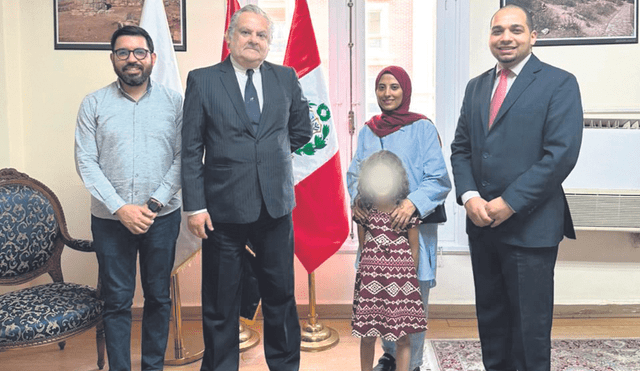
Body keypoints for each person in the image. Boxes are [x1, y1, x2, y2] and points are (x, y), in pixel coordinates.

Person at [450, 5, 583, 371]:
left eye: (515, 30)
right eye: (497, 31)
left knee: (530, 331)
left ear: (532, 36)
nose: (505, 37)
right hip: (482, 226)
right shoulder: (476, 87)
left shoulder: (559, 82)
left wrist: (509, 202)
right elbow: (461, 148)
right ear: (490, 38)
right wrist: (469, 196)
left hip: (531, 228)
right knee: (491, 324)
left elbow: (560, 155)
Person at [180, 5, 312, 371]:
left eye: (261, 35)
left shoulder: (285, 78)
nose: (254, 40)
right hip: (221, 211)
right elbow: (190, 149)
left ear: (269, 42)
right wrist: (195, 206)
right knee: (221, 302)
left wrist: (270, 154)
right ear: (230, 37)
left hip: (275, 208)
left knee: (280, 297)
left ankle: (285, 365)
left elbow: (301, 129)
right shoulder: (203, 80)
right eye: (246, 32)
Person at [75, 25, 183, 371]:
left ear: (153, 58)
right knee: (117, 301)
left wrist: (153, 204)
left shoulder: (175, 103)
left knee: (158, 298)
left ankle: (153, 367)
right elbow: (85, 162)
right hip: (110, 221)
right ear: (112, 59)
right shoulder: (93, 103)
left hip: (161, 219)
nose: (131, 59)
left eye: (139, 52)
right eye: (123, 53)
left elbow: (186, 157)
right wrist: (120, 207)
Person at [347, 66, 451, 371]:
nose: (388, 93)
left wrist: (411, 204)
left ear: (405, 90)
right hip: (376, 233)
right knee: (378, 300)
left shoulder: (422, 128)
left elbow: (438, 179)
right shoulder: (368, 130)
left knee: (409, 302)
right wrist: (358, 201)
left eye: (394, 87)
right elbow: (355, 173)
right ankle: (389, 356)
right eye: (381, 87)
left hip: (409, 227)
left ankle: (413, 363)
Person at [351, 150, 428, 371]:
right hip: (371, 285)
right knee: (367, 335)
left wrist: (407, 284)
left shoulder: (405, 212)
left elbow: (414, 250)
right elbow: (364, 247)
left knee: (402, 337)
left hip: (401, 286)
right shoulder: (364, 211)